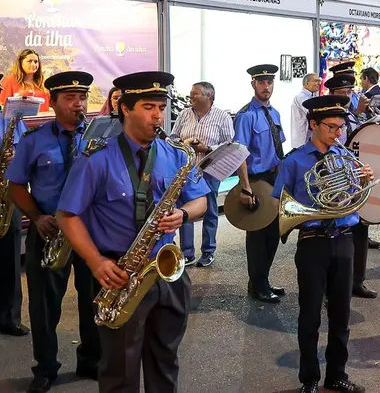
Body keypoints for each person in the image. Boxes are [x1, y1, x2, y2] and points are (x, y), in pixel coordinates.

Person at [56, 71, 210, 393]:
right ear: (125, 108)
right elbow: (67, 215)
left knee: (165, 363)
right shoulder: (96, 158)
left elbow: (201, 201)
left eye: (161, 107)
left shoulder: (175, 155)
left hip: (167, 273)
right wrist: (96, 263)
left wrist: (182, 213)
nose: (158, 115)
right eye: (148, 107)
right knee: (120, 372)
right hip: (121, 274)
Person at [272, 94, 371, 393]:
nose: (337, 133)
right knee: (310, 314)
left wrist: (363, 180)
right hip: (312, 241)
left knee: (341, 313)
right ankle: (310, 378)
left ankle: (337, 374)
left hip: (343, 240)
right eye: (331, 127)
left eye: (340, 127)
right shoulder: (294, 160)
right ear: (313, 124)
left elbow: (353, 196)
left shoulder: (345, 157)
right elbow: (281, 202)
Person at [6, 71, 97, 393]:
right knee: (44, 307)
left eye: (82, 97)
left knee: (94, 301)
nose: (78, 104)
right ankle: (45, 367)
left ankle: (91, 360)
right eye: (70, 98)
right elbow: (16, 185)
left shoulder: (99, 138)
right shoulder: (35, 140)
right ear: (54, 102)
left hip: (91, 231)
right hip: (49, 231)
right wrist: (36, 215)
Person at [234, 64, 286, 303]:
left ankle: (260, 280)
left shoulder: (274, 113)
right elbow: (240, 154)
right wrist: (246, 187)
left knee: (274, 233)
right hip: (256, 180)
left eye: (270, 82)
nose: (267, 87)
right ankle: (259, 285)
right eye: (262, 82)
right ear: (253, 84)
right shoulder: (245, 115)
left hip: (274, 180)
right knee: (258, 236)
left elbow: (279, 147)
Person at [324, 73, 378, 299]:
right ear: (331, 94)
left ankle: (357, 280)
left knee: (360, 229)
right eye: (342, 93)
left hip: (354, 176)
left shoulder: (353, 116)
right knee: (334, 234)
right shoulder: (325, 115)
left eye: (349, 92)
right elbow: (337, 141)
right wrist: (355, 114)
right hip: (334, 178)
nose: (347, 97)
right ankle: (330, 289)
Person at [171, 81, 235, 267]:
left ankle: (208, 251)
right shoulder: (184, 114)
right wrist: (184, 143)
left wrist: (207, 148)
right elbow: (173, 138)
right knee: (186, 210)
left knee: (210, 210)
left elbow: (229, 144)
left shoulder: (222, 117)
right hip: (187, 170)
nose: (191, 96)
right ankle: (187, 253)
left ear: (208, 96)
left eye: (195, 93)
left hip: (210, 169)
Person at [0, 73, 29, 339]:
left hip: (5, 193)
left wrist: (13, 155)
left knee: (9, 258)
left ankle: (10, 317)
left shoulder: (10, 119)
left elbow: (22, 151)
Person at [290, 73, 322, 149]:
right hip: (302, 139)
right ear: (307, 83)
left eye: (319, 81)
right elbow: (313, 112)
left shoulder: (310, 96)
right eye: (315, 81)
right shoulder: (301, 97)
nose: (318, 84)